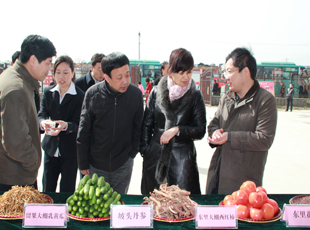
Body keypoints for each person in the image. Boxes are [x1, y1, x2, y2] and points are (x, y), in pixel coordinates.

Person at [206, 48, 277, 195]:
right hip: (218, 177)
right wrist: (215, 134)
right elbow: (214, 122)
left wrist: (230, 137)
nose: (226, 77)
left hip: (244, 183)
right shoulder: (226, 97)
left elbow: (264, 139)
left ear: (245, 72)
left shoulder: (265, 101)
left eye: (230, 71)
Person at [140, 48, 206, 194]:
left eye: (189, 72)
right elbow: (147, 124)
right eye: (181, 73)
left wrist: (178, 129)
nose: (186, 77)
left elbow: (200, 129)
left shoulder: (195, 95)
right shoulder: (156, 92)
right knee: (153, 205)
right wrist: (146, 150)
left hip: (182, 159)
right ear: (171, 71)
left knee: (182, 208)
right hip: (155, 157)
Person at [77, 52, 144, 194]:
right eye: (119, 77)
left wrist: (132, 153)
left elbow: (138, 128)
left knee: (118, 205)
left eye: (127, 75)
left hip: (123, 164)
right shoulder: (92, 95)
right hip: (96, 166)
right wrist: (83, 162)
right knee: (97, 208)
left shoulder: (135, 95)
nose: (125, 81)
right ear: (106, 77)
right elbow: (84, 132)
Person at [0, 34, 56, 191]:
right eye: (47, 63)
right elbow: (15, 143)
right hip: (15, 178)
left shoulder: (19, 80)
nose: (49, 69)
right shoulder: (16, 89)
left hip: (14, 172)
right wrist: (34, 163)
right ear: (33, 60)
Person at [38, 56, 84, 193]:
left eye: (65, 72)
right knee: (47, 189)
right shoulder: (48, 92)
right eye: (57, 72)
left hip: (70, 152)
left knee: (67, 190)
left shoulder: (80, 96)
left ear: (72, 73)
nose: (61, 76)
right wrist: (43, 123)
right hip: (50, 149)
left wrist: (66, 126)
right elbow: (41, 115)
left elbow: (80, 124)